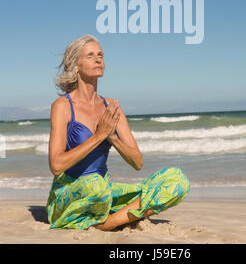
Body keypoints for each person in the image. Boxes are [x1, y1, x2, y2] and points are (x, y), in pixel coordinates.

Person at [46, 34, 190, 230]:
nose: (98, 59)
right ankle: (115, 218)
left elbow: (137, 162)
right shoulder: (63, 106)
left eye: (101, 55)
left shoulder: (112, 108)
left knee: (177, 181)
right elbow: (56, 165)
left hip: (103, 192)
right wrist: (98, 137)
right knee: (94, 185)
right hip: (69, 192)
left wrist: (112, 137)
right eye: (90, 56)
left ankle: (107, 223)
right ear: (76, 65)